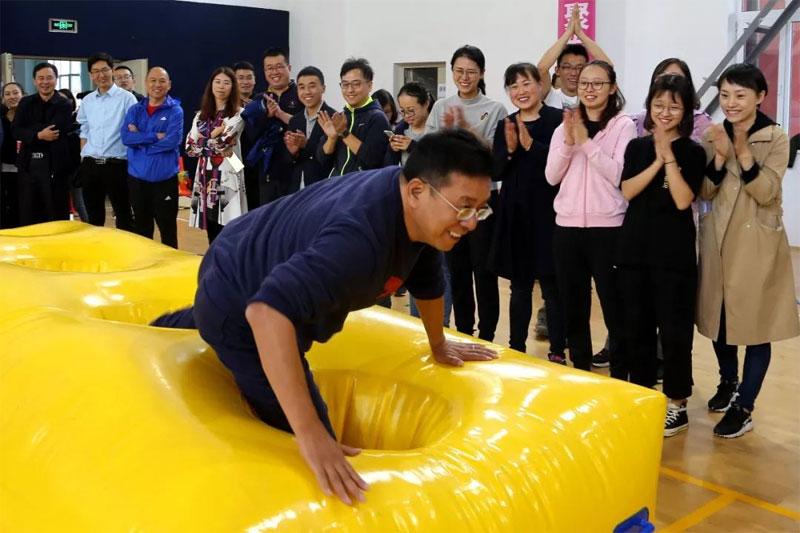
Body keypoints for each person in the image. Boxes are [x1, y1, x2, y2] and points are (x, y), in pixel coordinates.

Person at [151, 129, 498, 506]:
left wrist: (438, 343)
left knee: (266, 310)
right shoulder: (357, 241)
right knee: (311, 431)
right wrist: (311, 434)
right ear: (417, 191)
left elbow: (427, 280)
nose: (471, 223)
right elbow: (267, 314)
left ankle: (177, 323)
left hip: (254, 254)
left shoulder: (414, 210)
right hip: (237, 290)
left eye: (480, 209)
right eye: (464, 207)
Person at [697, 63, 799, 438]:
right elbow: (704, 191)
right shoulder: (712, 135)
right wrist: (719, 157)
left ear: (760, 97)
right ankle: (728, 381)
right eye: (725, 95)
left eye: (740, 95)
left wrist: (741, 153)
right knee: (719, 320)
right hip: (717, 240)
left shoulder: (776, 137)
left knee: (757, 326)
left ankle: (744, 406)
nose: (731, 103)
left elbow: (767, 191)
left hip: (757, 243)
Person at [617, 75, 706, 436]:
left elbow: (683, 200)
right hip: (634, 253)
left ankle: (677, 404)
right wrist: (656, 161)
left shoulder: (693, 152)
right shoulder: (636, 148)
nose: (664, 112)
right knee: (637, 329)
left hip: (674, 258)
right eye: (658, 105)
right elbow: (627, 191)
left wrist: (669, 159)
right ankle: (644, 397)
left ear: (685, 111)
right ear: (649, 106)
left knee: (674, 333)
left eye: (673, 106)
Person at [545, 60, 636, 376]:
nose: (590, 89)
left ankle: (620, 374)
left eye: (598, 83)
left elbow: (619, 175)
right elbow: (551, 177)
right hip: (567, 227)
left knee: (614, 306)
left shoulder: (623, 126)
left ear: (612, 88)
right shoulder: (564, 127)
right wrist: (569, 144)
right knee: (573, 306)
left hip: (608, 228)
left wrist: (586, 142)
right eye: (584, 83)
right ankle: (580, 369)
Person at [426, 45, 507, 342]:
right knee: (457, 269)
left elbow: (495, 157)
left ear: (482, 74)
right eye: (459, 71)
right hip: (450, 200)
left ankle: (487, 334)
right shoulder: (441, 107)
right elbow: (431, 150)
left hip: (483, 199)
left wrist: (464, 132)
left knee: (484, 270)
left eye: (471, 71)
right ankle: (463, 332)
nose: (464, 77)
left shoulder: (496, 108)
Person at [489, 62, 566, 362]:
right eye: (514, 86)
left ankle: (557, 351)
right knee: (519, 287)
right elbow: (497, 171)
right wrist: (509, 150)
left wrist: (530, 145)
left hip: (550, 214)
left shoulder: (557, 119)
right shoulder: (506, 124)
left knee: (552, 287)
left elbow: (562, 164)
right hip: (516, 215)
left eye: (526, 83)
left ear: (540, 85)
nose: (521, 91)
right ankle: (516, 349)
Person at [121, 67, 184, 248]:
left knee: (168, 231)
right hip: (137, 180)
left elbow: (172, 141)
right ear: (146, 83)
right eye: (153, 80)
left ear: (169, 85)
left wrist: (140, 141)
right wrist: (155, 136)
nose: (157, 85)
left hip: (164, 181)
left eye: (162, 81)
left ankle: (170, 265)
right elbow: (126, 138)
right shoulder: (135, 109)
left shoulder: (175, 111)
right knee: (142, 231)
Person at [77, 52, 137, 230]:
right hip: (90, 165)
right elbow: (84, 129)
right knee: (93, 218)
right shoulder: (88, 100)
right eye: (96, 71)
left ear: (112, 70)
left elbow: (134, 130)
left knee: (124, 216)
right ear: (90, 75)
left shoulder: (127, 98)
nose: (101, 75)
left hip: (117, 166)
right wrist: (83, 157)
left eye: (104, 70)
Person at [186, 67, 246, 244]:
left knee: (229, 225)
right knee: (211, 227)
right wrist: (214, 135)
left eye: (226, 83)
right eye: (217, 82)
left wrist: (204, 140)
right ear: (211, 85)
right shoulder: (200, 116)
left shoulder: (238, 113)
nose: (221, 86)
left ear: (233, 87)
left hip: (229, 171)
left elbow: (223, 143)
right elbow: (189, 148)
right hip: (204, 175)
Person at [12, 63, 74, 226]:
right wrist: (39, 135)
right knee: (28, 212)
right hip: (28, 165)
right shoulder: (25, 103)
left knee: (55, 214)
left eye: (49, 78)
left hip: (55, 166)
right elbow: (16, 130)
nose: (45, 82)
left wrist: (29, 130)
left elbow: (55, 130)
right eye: (40, 78)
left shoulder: (64, 104)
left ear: (56, 80)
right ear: (34, 81)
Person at [240, 50, 301, 207]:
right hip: (266, 172)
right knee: (268, 215)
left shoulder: (301, 94)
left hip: (296, 168)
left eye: (279, 66)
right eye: (269, 68)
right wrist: (266, 116)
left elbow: (308, 126)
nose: (274, 72)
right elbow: (250, 135)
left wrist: (281, 115)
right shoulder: (259, 99)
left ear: (289, 68)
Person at [317, 58, 391, 178]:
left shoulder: (378, 118)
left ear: (370, 85)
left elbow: (373, 159)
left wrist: (344, 133)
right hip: (337, 184)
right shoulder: (340, 117)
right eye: (345, 84)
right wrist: (332, 138)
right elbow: (322, 159)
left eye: (356, 84)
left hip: (362, 186)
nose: (350, 90)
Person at [537, 5, 612, 110]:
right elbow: (541, 69)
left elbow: (608, 67)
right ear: (557, 70)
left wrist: (580, 34)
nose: (573, 73)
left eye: (579, 67)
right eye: (567, 67)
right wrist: (568, 33)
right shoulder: (550, 95)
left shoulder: (592, 95)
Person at [282, 66, 336, 192]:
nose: (306, 92)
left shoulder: (333, 117)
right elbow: (287, 162)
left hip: (324, 189)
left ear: (323, 88)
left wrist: (306, 145)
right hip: (297, 190)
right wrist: (292, 153)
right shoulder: (295, 120)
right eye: (301, 87)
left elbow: (331, 158)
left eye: (312, 86)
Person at [630, 59, 711, 142]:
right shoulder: (638, 120)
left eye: (675, 78)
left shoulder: (699, 119)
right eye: (662, 78)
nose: (668, 83)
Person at [57, 88, 88, 223]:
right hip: (59, 168)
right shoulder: (55, 120)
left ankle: (91, 227)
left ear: (71, 101)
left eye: (63, 99)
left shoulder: (78, 120)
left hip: (76, 168)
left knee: (79, 202)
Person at [233, 60, 260, 210]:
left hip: (256, 167)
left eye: (249, 77)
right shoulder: (226, 107)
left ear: (255, 80)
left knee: (255, 207)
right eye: (240, 78)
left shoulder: (262, 103)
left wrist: (255, 113)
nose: (245, 82)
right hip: (233, 165)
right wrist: (237, 167)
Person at [1, 82, 24, 228]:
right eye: (7, 94)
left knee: (22, 205)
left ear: (22, 95)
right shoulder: (1, 118)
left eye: (15, 93)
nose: (12, 97)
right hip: (4, 169)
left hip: (24, 169)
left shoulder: (29, 117)